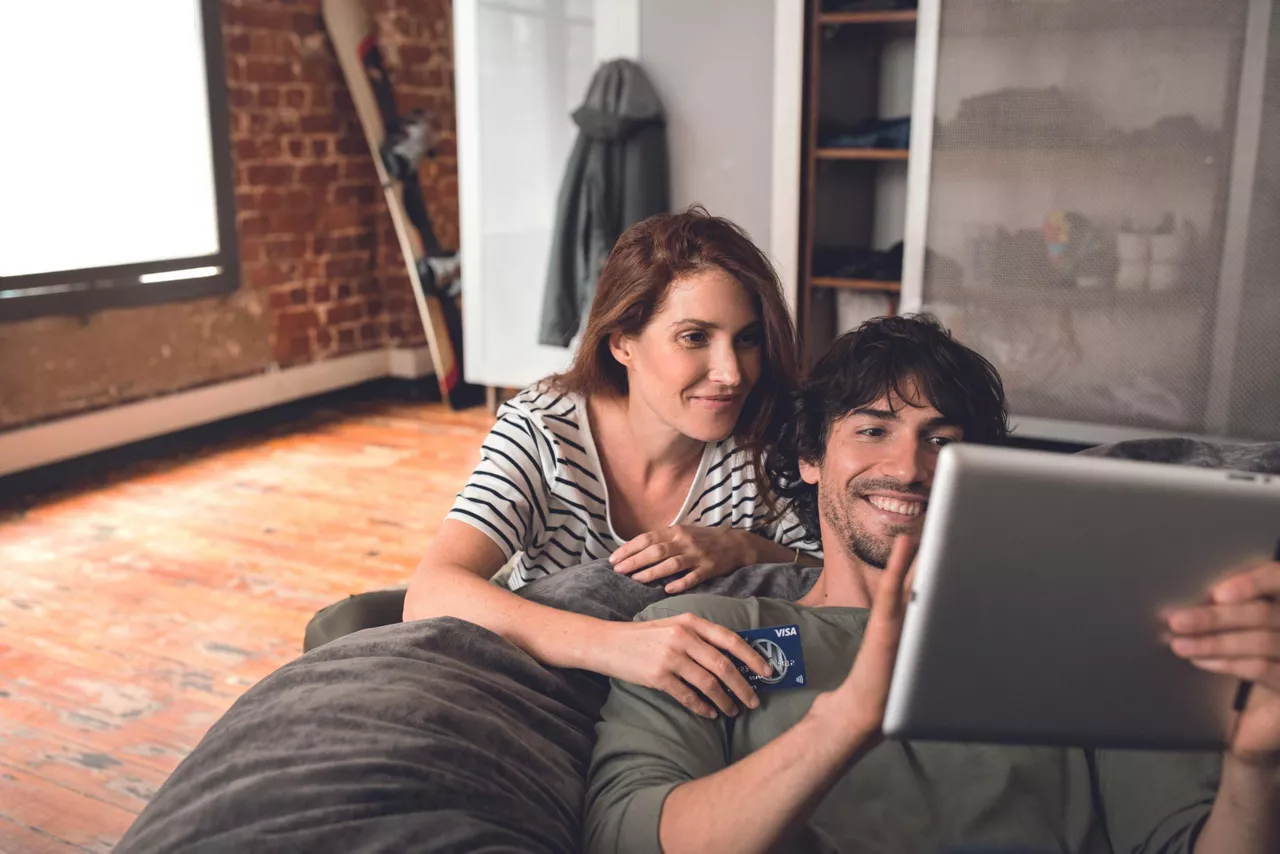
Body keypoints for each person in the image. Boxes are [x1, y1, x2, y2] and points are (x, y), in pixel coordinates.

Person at [585, 315, 1280, 854]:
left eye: (942, 440)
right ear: (809, 457)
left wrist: (1256, 764)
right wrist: (849, 715)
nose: (909, 466)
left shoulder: (1073, 637)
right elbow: (631, 838)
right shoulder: (701, 631)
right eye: (873, 429)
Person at [403, 207, 823, 717]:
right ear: (623, 342)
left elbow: (831, 584)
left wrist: (745, 547)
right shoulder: (544, 428)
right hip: (546, 700)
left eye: (747, 338)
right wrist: (621, 645)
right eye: (694, 337)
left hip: (692, 719)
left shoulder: (766, 441)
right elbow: (430, 593)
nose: (732, 373)